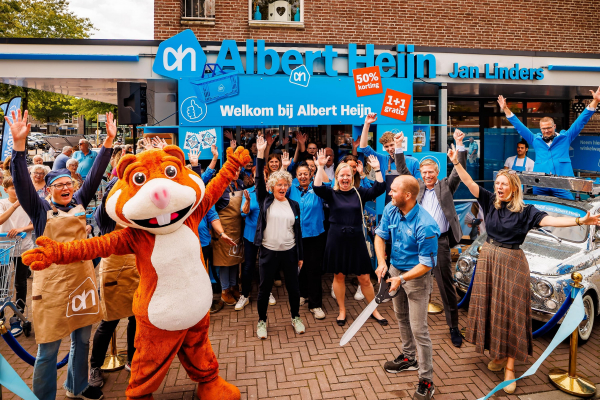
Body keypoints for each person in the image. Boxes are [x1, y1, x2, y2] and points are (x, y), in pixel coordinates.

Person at [447, 144, 600, 394]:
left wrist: (581, 220)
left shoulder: (527, 211)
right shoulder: (488, 201)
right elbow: (469, 182)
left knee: (511, 313)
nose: (498, 187)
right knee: (491, 308)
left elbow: (552, 221)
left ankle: (510, 366)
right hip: (488, 260)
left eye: (503, 184)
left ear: (514, 188)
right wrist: (456, 163)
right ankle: (496, 354)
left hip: (512, 263)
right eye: (497, 183)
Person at [6, 109, 115, 400]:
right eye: (59, 185)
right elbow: (21, 183)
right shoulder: (40, 209)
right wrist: (19, 148)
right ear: (49, 190)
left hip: (82, 279)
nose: (66, 188)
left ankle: (77, 386)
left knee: (82, 339)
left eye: (69, 183)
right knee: (48, 348)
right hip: (52, 285)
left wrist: (109, 143)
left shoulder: (80, 200)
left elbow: (93, 176)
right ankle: (44, 397)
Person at [395, 129, 467, 347]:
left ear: (437, 172)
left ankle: (453, 326)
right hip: (418, 244)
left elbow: (459, 170)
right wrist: (399, 147)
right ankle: (413, 323)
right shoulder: (416, 188)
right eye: (424, 172)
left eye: (431, 172)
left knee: (446, 285)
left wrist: (459, 145)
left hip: (441, 242)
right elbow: (402, 170)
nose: (427, 175)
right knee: (413, 280)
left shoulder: (446, 185)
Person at [374, 175, 440, 400]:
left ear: (408, 195)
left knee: (419, 329)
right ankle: (408, 358)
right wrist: (382, 263)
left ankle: (426, 379)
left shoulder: (426, 224)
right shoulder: (392, 209)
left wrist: (402, 279)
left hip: (416, 278)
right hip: (394, 271)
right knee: (401, 318)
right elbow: (379, 237)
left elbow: (427, 264)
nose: (390, 193)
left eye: (394, 190)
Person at [313, 153, 386, 326]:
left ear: (352, 176)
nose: (345, 178)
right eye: (342, 175)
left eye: (348, 175)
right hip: (336, 238)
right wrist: (320, 167)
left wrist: (377, 169)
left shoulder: (359, 192)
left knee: (365, 278)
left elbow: (380, 188)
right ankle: (342, 310)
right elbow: (317, 188)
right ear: (337, 177)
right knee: (339, 276)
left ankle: (373, 310)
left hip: (356, 239)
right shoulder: (331, 193)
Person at [497, 87, 600, 199]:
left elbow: (580, 122)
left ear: (554, 126)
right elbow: (519, 127)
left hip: (562, 183)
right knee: (538, 210)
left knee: (568, 210)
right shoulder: (535, 140)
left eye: (549, 128)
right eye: (543, 129)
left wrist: (595, 101)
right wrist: (506, 108)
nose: (546, 131)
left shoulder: (565, 137)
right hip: (541, 183)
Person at [88, 175, 140, 387]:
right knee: (109, 321)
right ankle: (94, 366)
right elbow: (106, 201)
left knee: (136, 318)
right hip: (113, 272)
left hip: (135, 269)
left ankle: (132, 359)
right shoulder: (107, 214)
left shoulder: (136, 212)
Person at [254, 135, 305, 338]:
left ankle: (295, 317)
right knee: (264, 289)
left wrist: (300, 255)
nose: (283, 188)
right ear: (272, 187)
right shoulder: (265, 201)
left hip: (290, 253)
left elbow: (297, 232)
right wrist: (259, 153)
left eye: (285, 185)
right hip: (268, 252)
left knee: (294, 288)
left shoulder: (294, 205)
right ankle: (261, 321)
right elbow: (259, 179)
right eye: (279, 185)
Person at [288, 157, 330, 320]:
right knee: (299, 268)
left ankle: (316, 304)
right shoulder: (292, 189)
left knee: (313, 269)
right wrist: (285, 167)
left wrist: (320, 167)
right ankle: (302, 294)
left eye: (306, 174)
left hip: (314, 235)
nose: (303, 177)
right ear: (296, 176)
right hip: (295, 235)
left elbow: (329, 185)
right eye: (300, 174)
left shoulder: (317, 189)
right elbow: (276, 188)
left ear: (311, 174)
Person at [237, 169, 277, 310]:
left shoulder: (272, 193)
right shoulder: (248, 192)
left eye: (263, 176)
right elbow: (244, 212)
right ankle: (245, 295)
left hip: (268, 234)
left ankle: (267, 292)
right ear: (253, 178)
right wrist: (247, 201)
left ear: (266, 178)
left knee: (266, 265)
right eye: (257, 176)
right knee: (248, 266)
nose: (260, 178)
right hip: (251, 235)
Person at [0, 176, 34, 337]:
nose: (16, 190)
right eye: (12, 187)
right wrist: (14, 206)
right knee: (3, 284)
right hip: (4, 249)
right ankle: (1, 315)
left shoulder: (28, 203)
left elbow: (35, 222)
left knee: (21, 283)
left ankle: (18, 316)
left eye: (18, 187)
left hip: (23, 247)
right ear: (5, 189)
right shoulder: (3, 203)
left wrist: (21, 228)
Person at [359, 113, 420, 178]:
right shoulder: (382, 159)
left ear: (397, 143)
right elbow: (364, 148)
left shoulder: (413, 162)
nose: (390, 149)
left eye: (392, 145)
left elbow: (418, 184)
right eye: (386, 146)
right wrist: (367, 124)